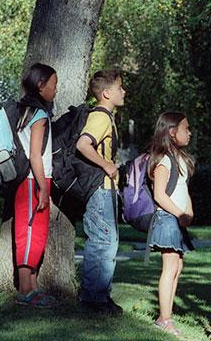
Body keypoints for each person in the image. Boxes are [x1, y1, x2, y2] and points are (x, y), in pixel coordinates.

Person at [76, 69, 125, 315]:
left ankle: (100, 296)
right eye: (119, 87)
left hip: (106, 189)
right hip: (99, 189)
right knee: (102, 242)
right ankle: (92, 299)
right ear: (106, 93)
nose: (123, 91)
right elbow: (83, 143)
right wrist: (106, 164)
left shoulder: (107, 117)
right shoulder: (101, 117)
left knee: (108, 242)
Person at [13, 63, 58, 308]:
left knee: (32, 233)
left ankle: (32, 286)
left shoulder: (25, 111)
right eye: (53, 84)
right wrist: (43, 189)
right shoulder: (39, 115)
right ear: (41, 86)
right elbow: (35, 155)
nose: (56, 89)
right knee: (30, 234)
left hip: (29, 180)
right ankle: (25, 290)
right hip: (34, 180)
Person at [148, 112, 195, 337]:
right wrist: (179, 213)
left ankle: (166, 316)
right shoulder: (164, 160)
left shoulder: (179, 158)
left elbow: (182, 189)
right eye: (186, 128)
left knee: (177, 267)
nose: (190, 132)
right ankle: (164, 319)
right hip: (167, 218)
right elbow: (159, 195)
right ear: (172, 132)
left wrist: (189, 211)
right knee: (169, 268)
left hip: (176, 219)